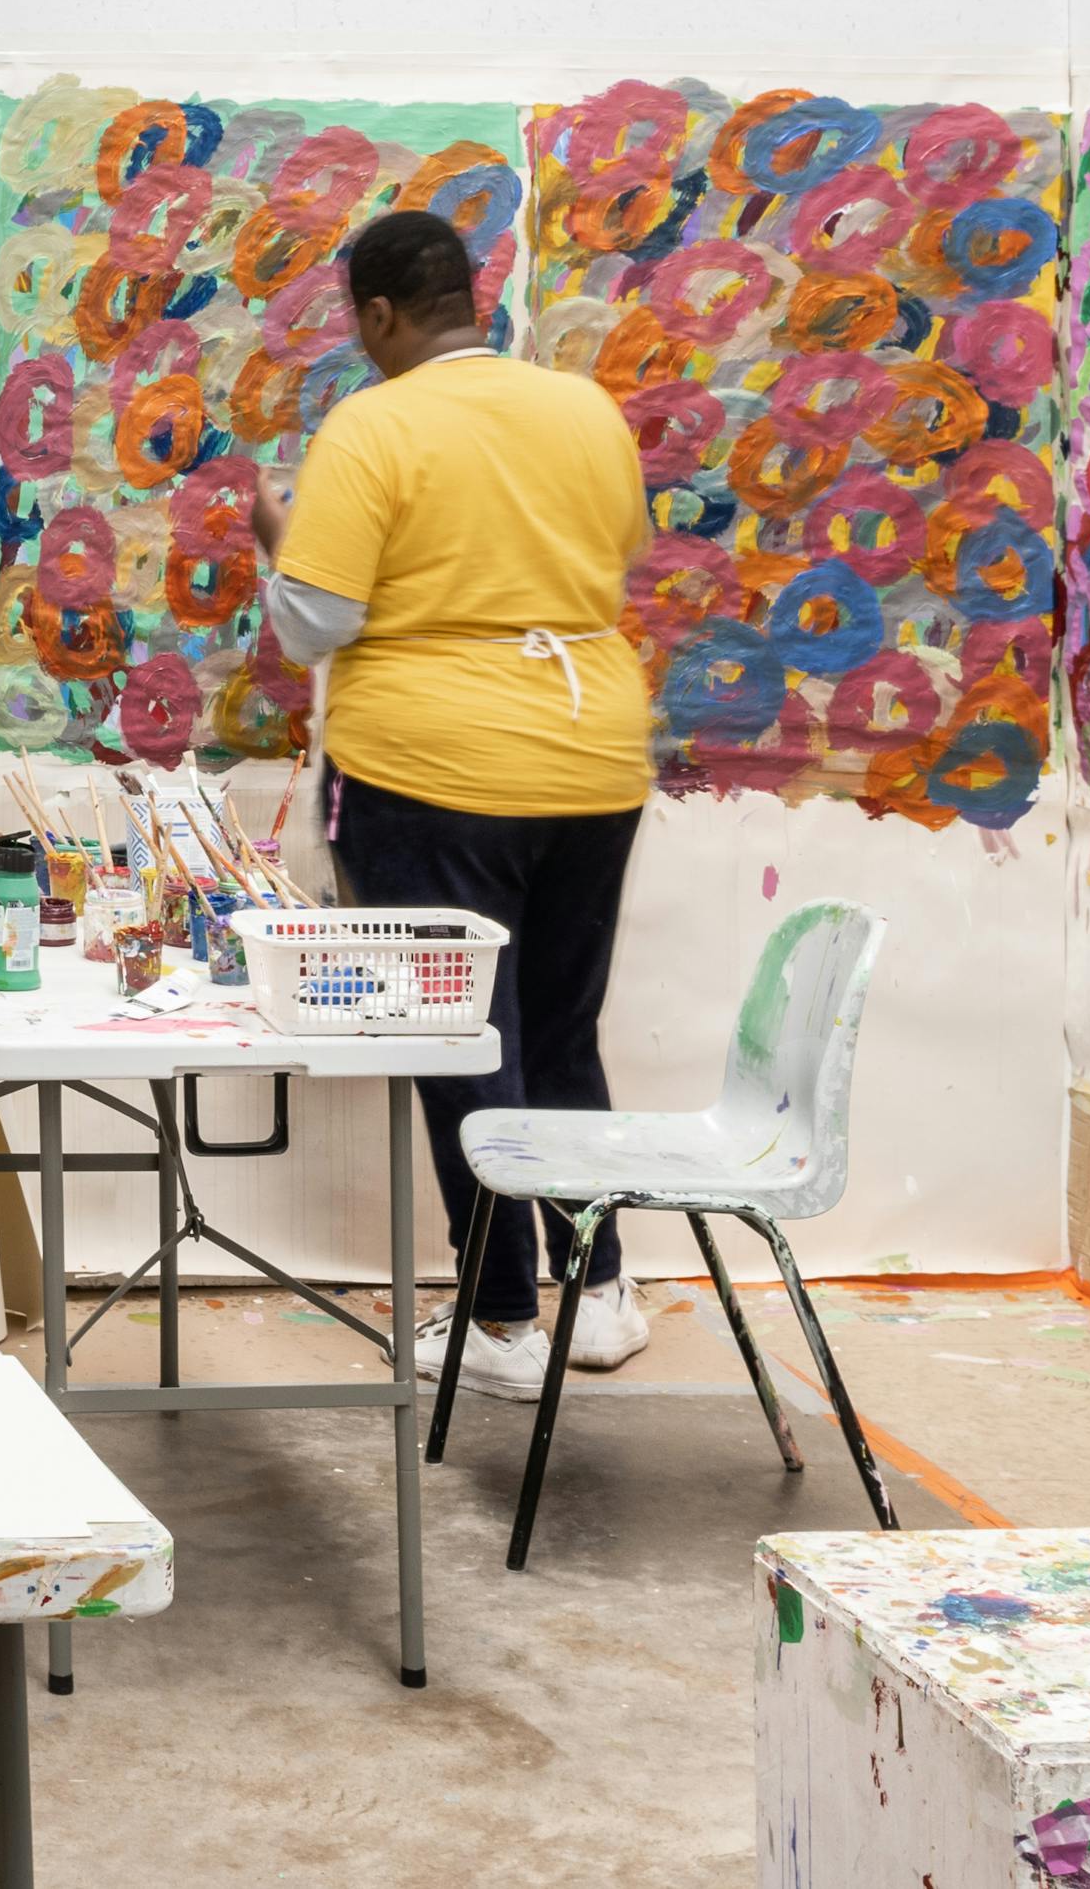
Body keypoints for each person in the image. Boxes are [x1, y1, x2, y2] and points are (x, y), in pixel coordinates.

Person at [259, 206, 656, 1401]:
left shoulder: (373, 424)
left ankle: (496, 1320)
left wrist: (282, 545)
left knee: (461, 1038)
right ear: (468, 301)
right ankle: (597, 1294)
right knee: (560, 1023)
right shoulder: (582, 408)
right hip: (593, 753)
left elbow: (316, 621)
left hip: (432, 771)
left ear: (377, 313)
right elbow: (616, 556)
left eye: (356, 321)